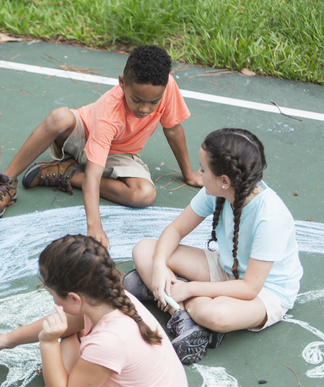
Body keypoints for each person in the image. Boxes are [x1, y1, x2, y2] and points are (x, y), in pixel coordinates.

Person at [0, 235, 190, 387]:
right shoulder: (111, 299)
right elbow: (69, 323)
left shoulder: (110, 339)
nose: (54, 303)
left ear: (74, 298)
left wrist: (48, 342)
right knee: (70, 333)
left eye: (53, 296)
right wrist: (9, 339)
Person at [0, 45, 202, 250]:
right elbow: (93, 176)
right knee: (59, 118)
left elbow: (172, 129)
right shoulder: (109, 115)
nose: (144, 108)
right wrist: (95, 227)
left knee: (143, 195)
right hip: (83, 134)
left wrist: (189, 174)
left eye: (153, 102)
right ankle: (5, 181)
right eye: (136, 99)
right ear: (122, 83)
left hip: (118, 152)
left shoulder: (167, 86)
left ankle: (66, 173)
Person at [125, 128, 303, 364]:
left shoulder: (270, 217)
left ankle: (171, 297)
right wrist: (158, 267)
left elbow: (250, 288)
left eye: (203, 169)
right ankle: (182, 316)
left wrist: (189, 289)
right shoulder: (221, 190)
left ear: (224, 181)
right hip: (227, 267)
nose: (199, 173)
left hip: (266, 292)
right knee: (145, 250)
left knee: (215, 314)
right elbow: (175, 230)